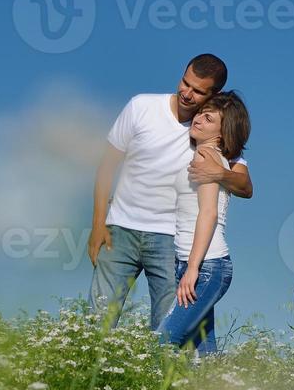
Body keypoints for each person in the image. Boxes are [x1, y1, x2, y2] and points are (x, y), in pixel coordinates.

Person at [88, 55, 253, 328]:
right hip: (119, 230)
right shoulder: (141, 106)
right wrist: (97, 224)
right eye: (185, 83)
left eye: (198, 91)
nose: (187, 93)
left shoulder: (209, 130)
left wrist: (219, 173)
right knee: (98, 319)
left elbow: (245, 186)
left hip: (170, 242)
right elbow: (106, 165)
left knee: (166, 329)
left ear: (214, 94)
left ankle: (163, 372)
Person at [158, 91, 250, 356]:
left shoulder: (206, 157)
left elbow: (208, 213)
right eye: (201, 113)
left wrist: (193, 268)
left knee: (163, 342)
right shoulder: (201, 155)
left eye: (209, 119)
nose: (198, 119)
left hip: (206, 265)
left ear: (221, 135)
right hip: (195, 263)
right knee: (204, 352)